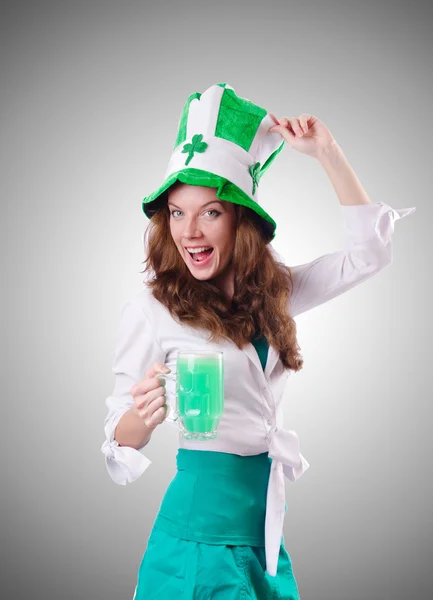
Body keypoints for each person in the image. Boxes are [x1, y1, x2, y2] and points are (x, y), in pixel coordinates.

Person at [101, 83, 416, 599]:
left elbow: (368, 256)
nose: (189, 231)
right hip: (198, 544)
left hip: (263, 539)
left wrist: (327, 154)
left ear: (240, 220)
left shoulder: (276, 293)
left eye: (210, 211)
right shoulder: (150, 310)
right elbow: (119, 439)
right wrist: (144, 413)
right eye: (177, 213)